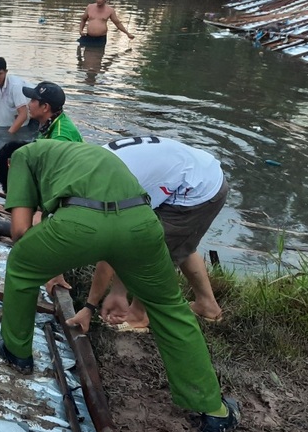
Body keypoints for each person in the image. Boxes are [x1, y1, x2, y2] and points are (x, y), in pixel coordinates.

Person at [0, 139, 239, 432]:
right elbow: (108, 223)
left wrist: (38, 257)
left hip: (84, 226)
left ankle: (16, 350)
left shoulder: (19, 157)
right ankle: (213, 410)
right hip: (143, 224)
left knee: (20, 266)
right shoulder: (77, 154)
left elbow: (21, 231)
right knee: (169, 308)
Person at [59, 136, 227, 333]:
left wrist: (95, 303)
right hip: (199, 169)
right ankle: (207, 306)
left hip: (196, 188)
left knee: (152, 250)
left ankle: (139, 316)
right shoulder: (92, 163)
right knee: (182, 244)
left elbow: (115, 247)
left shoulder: (110, 189)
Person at [0, 57, 35, 137]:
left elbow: (23, 114)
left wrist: (9, 135)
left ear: (6, 72)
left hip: (18, 130)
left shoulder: (15, 86)